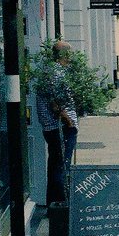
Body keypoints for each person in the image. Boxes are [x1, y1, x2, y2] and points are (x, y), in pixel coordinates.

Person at [35, 40, 78, 206]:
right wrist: (69, 121)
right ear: (65, 54)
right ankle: (61, 205)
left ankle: (52, 204)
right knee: (61, 166)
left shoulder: (49, 70)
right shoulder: (57, 73)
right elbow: (56, 103)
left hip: (51, 126)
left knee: (54, 164)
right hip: (59, 126)